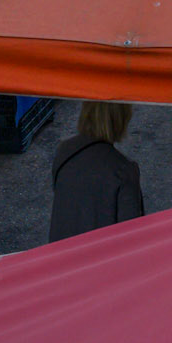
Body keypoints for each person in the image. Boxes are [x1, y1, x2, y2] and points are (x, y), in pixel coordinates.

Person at [48, 101, 144, 243]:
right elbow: (132, 239)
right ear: (121, 119)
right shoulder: (123, 170)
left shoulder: (64, 152)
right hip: (99, 261)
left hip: (60, 257)